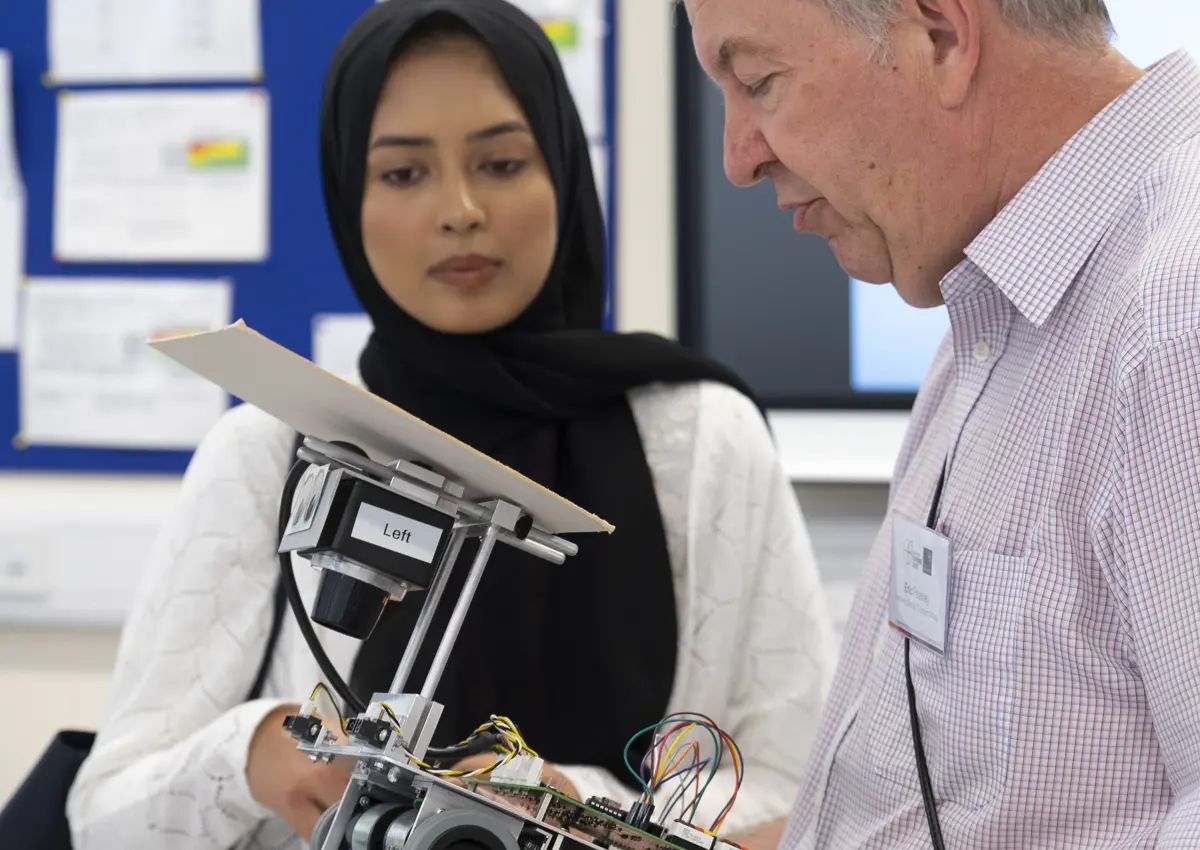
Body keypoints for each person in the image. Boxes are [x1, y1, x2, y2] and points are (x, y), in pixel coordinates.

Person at [65, 1, 836, 848]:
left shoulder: (698, 439)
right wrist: (248, 754)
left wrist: (570, 808)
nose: (460, 209)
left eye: (502, 163)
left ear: (564, 174)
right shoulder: (272, 448)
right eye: (402, 174)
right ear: (347, 199)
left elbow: (811, 799)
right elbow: (105, 815)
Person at [686, 0, 1200, 846]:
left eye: (758, 82)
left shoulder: (1172, 319)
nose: (740, 158)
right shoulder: (1002, 307)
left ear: (941, 36)